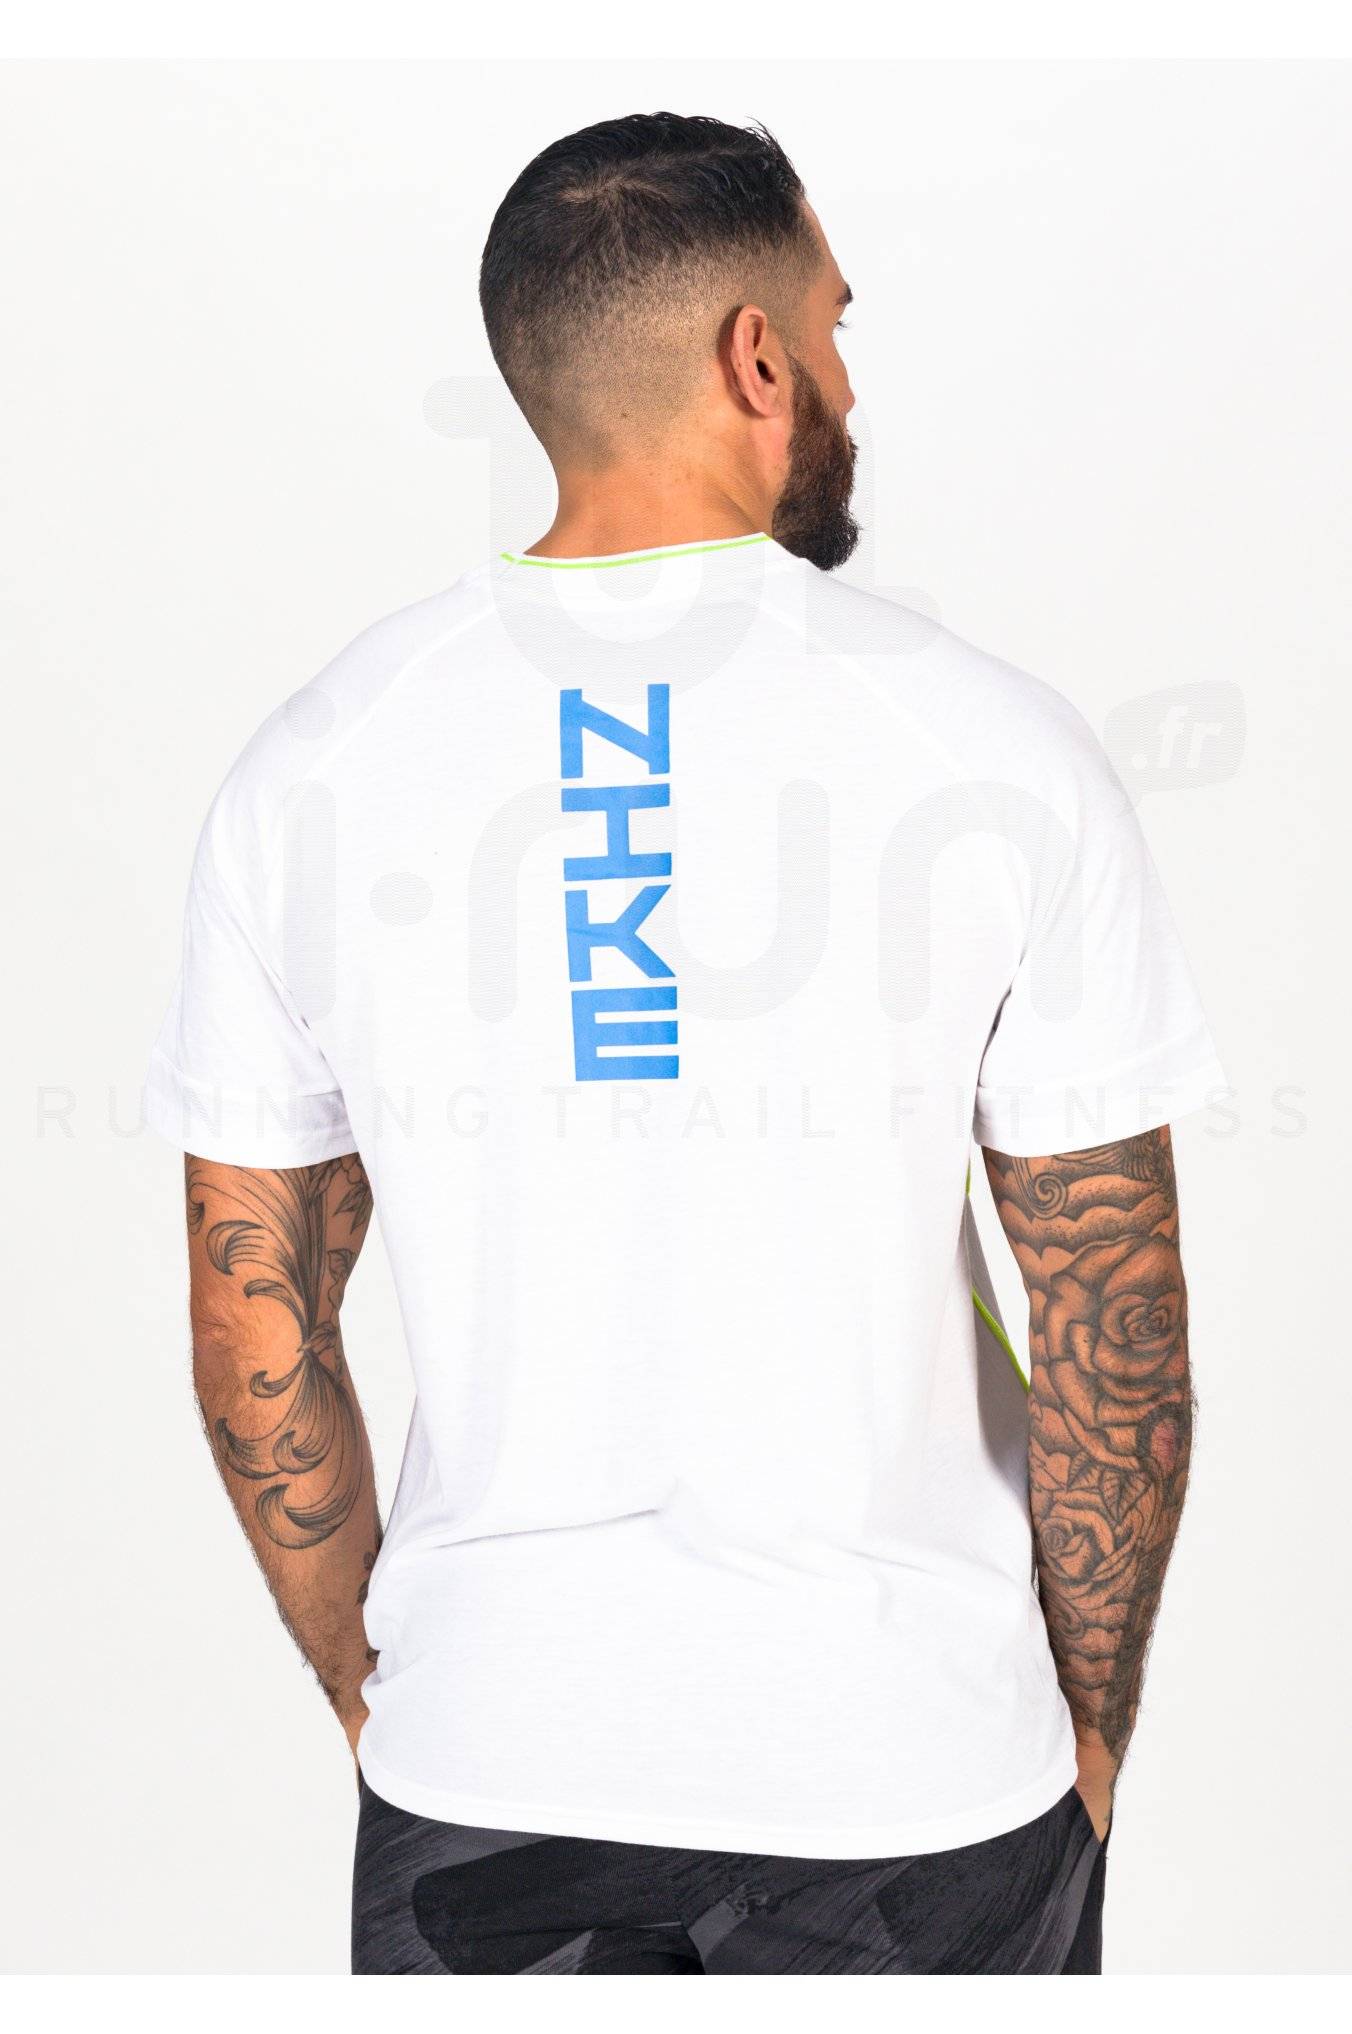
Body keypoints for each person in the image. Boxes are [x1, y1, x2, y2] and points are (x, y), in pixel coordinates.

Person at [146, 113, 1224, 1975]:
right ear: (757, 358)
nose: (850, 381)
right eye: (836, 323)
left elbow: (257, 1324)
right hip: (916, 1778)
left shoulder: (313, 766)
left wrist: (385, 1696)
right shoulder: (994, 750)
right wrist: (1093, 1730)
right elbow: (1112, 1310)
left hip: (487, 1761)